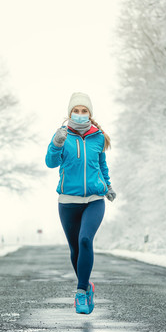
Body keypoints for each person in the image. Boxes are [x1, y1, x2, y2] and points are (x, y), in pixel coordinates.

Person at [45, 92, 116, 315]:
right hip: (68, 201)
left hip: (94, 199)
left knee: (85, 239)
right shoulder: (62, 136)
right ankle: (87, 285)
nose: (80, 114)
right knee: (75, 248)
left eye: (84, 111)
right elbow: (50, 162)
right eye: (76, 110)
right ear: (69, 113)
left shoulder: (98, 137)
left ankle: (80, 292)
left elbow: (101, 165)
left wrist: (108, 186)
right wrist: (56, 145)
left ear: (90, 114)